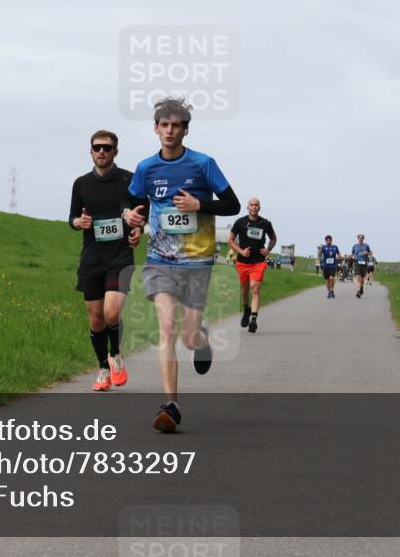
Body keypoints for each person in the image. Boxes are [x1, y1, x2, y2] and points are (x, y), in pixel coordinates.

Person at [123, 97, 240, 432]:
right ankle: (171, 405)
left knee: (188, 337)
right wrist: (129, 218)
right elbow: (132, 202)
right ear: (156, 128)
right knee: (166, 329)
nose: (170, 130)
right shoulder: (146, 168)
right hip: (159, 260)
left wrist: (198, 203)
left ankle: (200, 339)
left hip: (197, 260)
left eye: (176, 125)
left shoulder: (203, 164)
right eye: (164, 125)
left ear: (185, 129)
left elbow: (231, 204)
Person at [69, 131, 142, 391]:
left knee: (112, 312)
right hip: (91, 258)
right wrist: (79, 222)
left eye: (107, 148)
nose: (101, 152)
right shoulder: (81, 184)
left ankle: (116, 355)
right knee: (95, 319)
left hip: (120, 257)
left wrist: (137, 231)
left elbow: (139, 215)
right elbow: (72, 219)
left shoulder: (130, 180)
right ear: (90, 151)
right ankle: (103, 367)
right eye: (97, 148)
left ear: (115, 152)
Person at [228, 198, 276, 333]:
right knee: (244, 290)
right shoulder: (240, 222)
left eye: (256, 205)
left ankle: (253, 320)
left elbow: (273, 238)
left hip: (258, 262)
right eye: (252, 205)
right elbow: (230, 240)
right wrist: (241, 251)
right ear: (247, 207)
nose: (254, 207)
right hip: (242, 262)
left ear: (259, 208)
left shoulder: (265, 223)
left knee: (255, 288)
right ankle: (246, 309)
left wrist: (268, 249)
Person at [351, 234, 373, 298]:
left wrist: (367, 253)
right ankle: (358, 291)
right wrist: (351, 257)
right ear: (358, 239)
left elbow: (371, 253)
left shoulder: (366, 245)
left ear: (363, 239)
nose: (360, 239)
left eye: (362, 238)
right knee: (358, 276)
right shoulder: (355, 246)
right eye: (359, 238)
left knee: (362, 278)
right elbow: (352, 253)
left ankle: (361, 288)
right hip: (357, 262)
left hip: (364, 263)